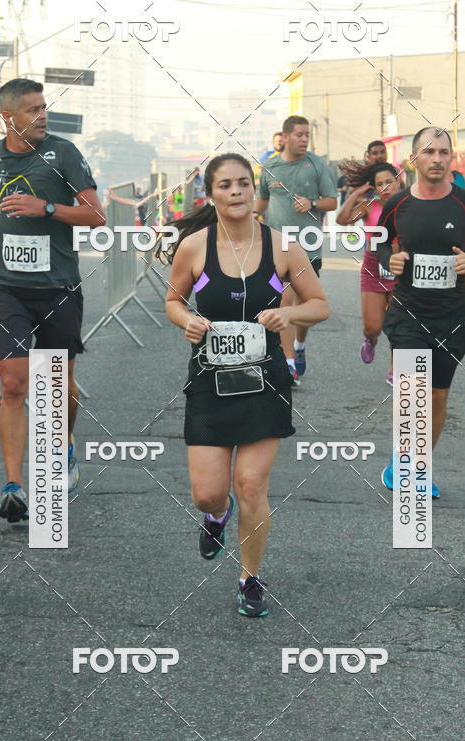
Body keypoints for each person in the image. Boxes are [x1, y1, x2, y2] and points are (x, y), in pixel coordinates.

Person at [162, 153, 329, 616]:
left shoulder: (282, 247)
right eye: (225, 185)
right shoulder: (195, 247)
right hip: (210, 382)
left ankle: (250, 578)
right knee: (209, 493)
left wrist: (288, 313)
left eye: (242, 184)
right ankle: (216, 515)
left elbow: (320, 304)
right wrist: (187, 320)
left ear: (255, 192)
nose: (235, 192)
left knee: (251, 484)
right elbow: (173, 301)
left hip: (264, 381)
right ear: (211, 194)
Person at [0, 78, 104, 522]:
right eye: (33, 109)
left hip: (57, 286)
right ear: (8, 116)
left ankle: (64, 447)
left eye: (44, 107)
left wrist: (46, 209)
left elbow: (95, 215)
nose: (42, 115)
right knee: (14, 383)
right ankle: (15, 485)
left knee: (58, 387)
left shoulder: (63, 153)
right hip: (4, 285)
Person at [375, 127, 465, 497]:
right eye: (430, 152)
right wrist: (389, 258)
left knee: (438, 397)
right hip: (408, 313)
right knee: (413, 395)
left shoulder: (464, 202)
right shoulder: (398, 204)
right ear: (415, 160)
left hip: (451, 315)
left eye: (444, 152)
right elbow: (379, 242)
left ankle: (414, 464)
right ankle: (410, 468)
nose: (438, 159)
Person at [254, 115, 337, 383]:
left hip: (308, 248)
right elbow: (261, 202)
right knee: (283, 303)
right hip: (277, 249)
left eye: (307, 135)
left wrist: (312, 204)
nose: (304, 139)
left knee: (305, 308)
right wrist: (249, 218)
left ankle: (299, 347)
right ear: (286, 136)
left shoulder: (316, 164)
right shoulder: (271, 166)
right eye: (299, 135)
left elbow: (332, 202)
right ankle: (288, 363)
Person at [337, 161, 400, 383]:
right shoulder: (369, 205)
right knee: (373, 326)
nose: (385, 187)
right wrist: (355, 194)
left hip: (401, 268)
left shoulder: (409, 203)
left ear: (398, 181)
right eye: (379, 184)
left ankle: (396, 369)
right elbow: (342, 220)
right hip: (374, 266)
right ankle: (370, 340)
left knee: (398, 324)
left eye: (389, 182)